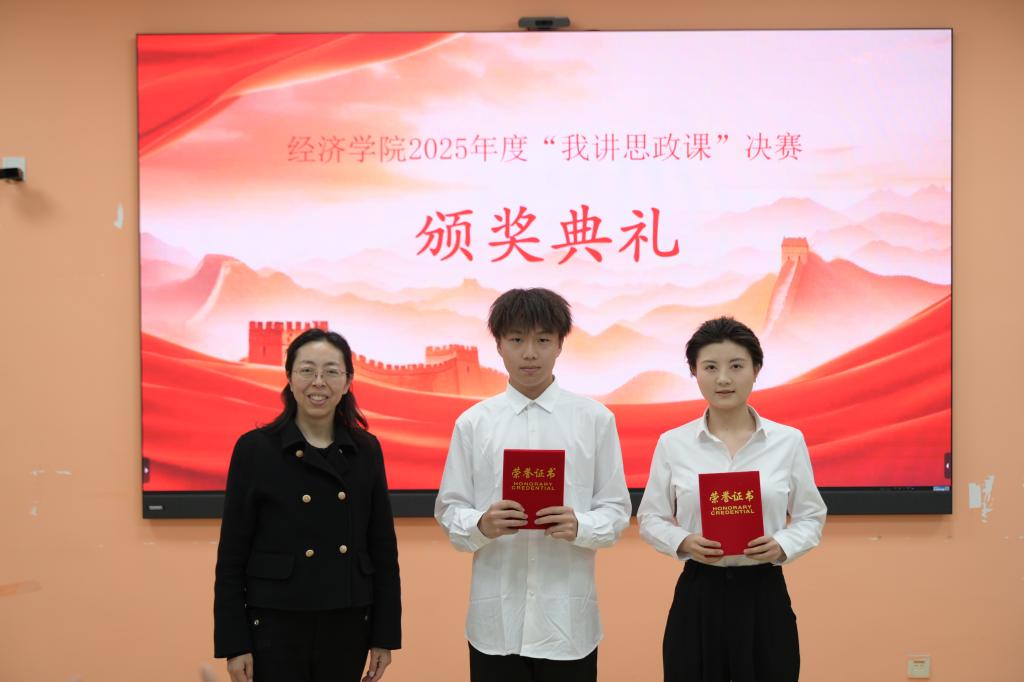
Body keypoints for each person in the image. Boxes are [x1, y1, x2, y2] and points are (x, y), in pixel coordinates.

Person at [435, 288, 631, 682]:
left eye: (542, 340)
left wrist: (581, 525)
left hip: (568, 624)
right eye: (516, 340)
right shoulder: (474, 423)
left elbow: (616, 510)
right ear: (498, 345)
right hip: (495, 624)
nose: (529, 353)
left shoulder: (594, 419)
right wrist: (481, 524)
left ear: (560, 345)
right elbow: (450, 509)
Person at [637, 316, 826, 682]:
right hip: (699, 593)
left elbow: (810, 516)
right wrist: (683, 541)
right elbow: (651, 518)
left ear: (756, 370)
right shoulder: (673, 444)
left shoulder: (788, 441)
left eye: (736, 366)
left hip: (764, 592)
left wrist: (782, 545)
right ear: (694, 372)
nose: (723, 378)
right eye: (710, 367)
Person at [214, 328, 401, 682]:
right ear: (289, 377)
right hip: (275, 620)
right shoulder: (255, 449)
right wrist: (234, 643)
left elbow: (383, 550)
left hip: (347, 622)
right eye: (307, 370)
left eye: (331, 371)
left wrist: (384, 636)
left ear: (347, 381)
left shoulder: (366, 450)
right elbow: (232, 556)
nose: (319, 382)